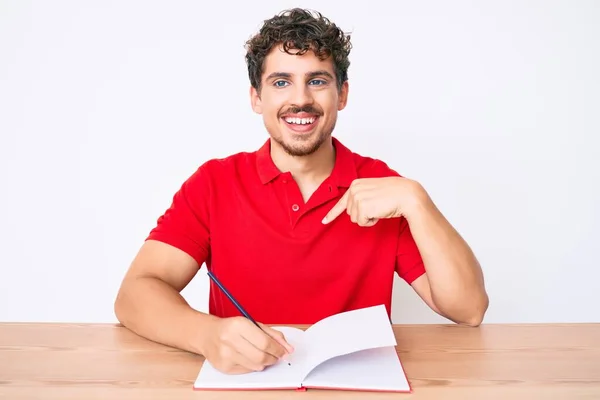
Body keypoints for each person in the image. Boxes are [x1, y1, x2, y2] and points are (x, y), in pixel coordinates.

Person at [114, 8, 489, 375]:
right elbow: (134, 294)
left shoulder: (383, 186)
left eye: (317, 81)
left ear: (341, 95)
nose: (301, 100)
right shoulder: (214, 183)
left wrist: (417, 201)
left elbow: (468, 309)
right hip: (247, 381)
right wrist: (205, 334)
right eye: (281, 82)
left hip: (357, 387)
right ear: (256, 98)